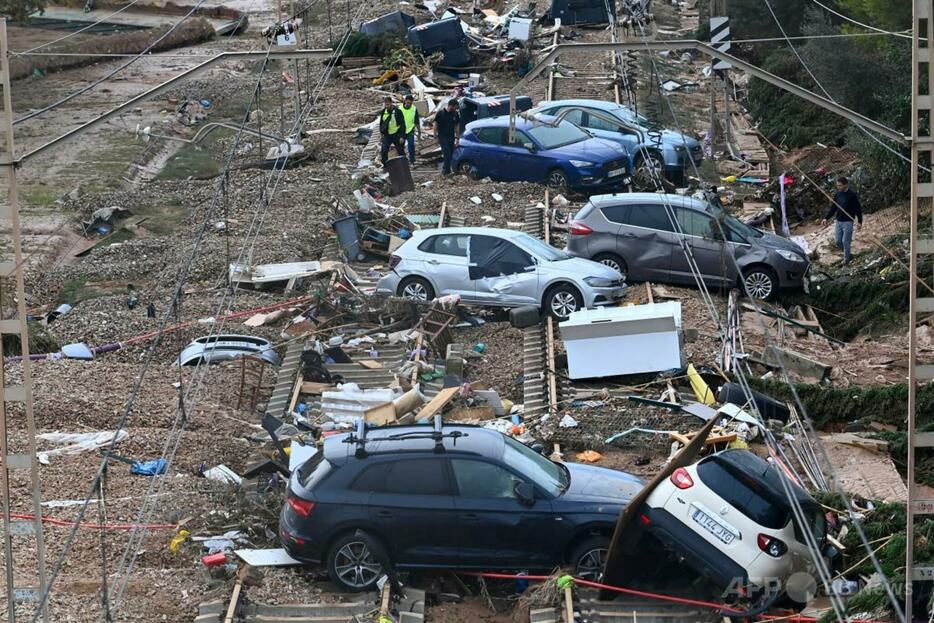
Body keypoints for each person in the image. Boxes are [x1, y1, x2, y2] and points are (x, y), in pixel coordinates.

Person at [821, 176, 863, 264]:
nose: (838, 187)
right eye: (837, 185)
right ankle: (848, 254)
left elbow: (858, 209)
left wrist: (859, 221)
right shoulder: (837, 194)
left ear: (845, 185)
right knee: (838, 242)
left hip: (848, 221)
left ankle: (846, 260)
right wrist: (826, 218)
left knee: (845, 241)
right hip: (839, 221)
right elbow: (833, 208)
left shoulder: (852, 195)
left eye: (840, 185)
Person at [434, 98, 461, 176]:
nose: (456, 109)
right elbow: (436, 125)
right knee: (447, 154)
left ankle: (446, 169)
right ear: (450, 106)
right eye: (455, 108)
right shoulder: (440, 114)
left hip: (451, 137)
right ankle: (446, 171)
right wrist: (435, 136)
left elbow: (457, 126)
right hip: (442, 137)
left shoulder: (455, 114)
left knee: (451, 153)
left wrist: (457, 138)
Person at [379, 96, 405, 166]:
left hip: (397, 134)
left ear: (391, 103)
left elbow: (402, 124)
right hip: (387, 135)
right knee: (384, 150)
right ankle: (385, 165)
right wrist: (381, 135)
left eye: (388, 104)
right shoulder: (383, 112)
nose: (386, 106)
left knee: (400, 151)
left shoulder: (397, 111)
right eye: (385, 104)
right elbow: (381, 124)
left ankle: (404, 165)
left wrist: (402, 136)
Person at [400, 94, 421, 165]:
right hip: (401, 131)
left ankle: (412, 160)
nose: (409, 104)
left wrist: (419, 131)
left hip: (410, 130)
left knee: (411, 145)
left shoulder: (414, 109)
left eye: (410, 103)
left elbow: (416, 121)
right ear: (405, 101)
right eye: (407, 102)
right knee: (400, 146)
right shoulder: (400, 109)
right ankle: (403, 160)